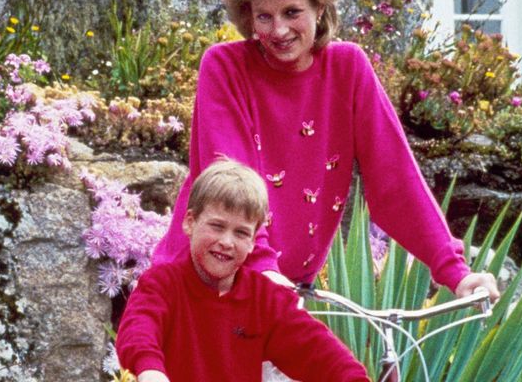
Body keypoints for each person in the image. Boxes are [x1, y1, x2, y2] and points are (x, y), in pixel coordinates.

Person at [151, 0, 500, 300]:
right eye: (264, 17)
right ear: (249, 18)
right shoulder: (225, 67)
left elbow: (395, 181)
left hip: (284, 290)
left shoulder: (347, 68)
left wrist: (455, 272)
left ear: (319, 8)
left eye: (292, 12)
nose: (279, 30)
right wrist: (262, 268)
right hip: (204, 284)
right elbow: (228, 184)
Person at [116, 159, 370, 382]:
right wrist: (150, 370)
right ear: (190, 222)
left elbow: (320, 351)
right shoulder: (162, 284)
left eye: (241, 233)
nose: (226, 241)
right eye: (217, 226)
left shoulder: (266, 300)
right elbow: (139, 330)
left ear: (252, 241)